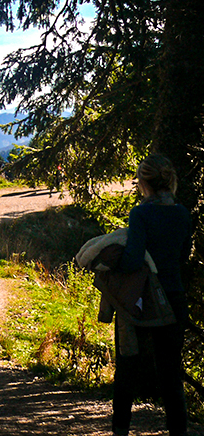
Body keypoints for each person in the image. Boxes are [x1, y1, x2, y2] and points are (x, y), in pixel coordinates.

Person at [113, 154, 192, 436]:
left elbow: (134, 260)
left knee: (127, 368)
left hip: (141, 300)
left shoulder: (141, 214)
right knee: (171, 373)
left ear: (143, 181)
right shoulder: (183, 213)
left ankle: (121, 430)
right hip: (174, 298)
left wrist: (113, 266)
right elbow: (182, 256)